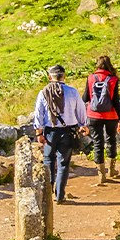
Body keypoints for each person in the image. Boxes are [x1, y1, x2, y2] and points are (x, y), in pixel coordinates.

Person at [34, 65, 87, 204]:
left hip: (50, 130)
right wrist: (83, 125)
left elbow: (38, 114)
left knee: (48, 160)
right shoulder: (73, 92)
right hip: (68, 131)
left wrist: (38, 132)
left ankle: (48, 190)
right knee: (63, 163)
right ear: (64, 76)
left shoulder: (43, 92)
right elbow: (81, 110)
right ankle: (60, 195)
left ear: (50, 77)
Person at [84, 55, 120, 185]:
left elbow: (85, 98)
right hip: (111, 115)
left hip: (93, 115)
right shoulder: (113, 79)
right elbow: (116, 101)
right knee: (111, 140)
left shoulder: (90, 78)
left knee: (97, 143)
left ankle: (101, 176)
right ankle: (112, 170)